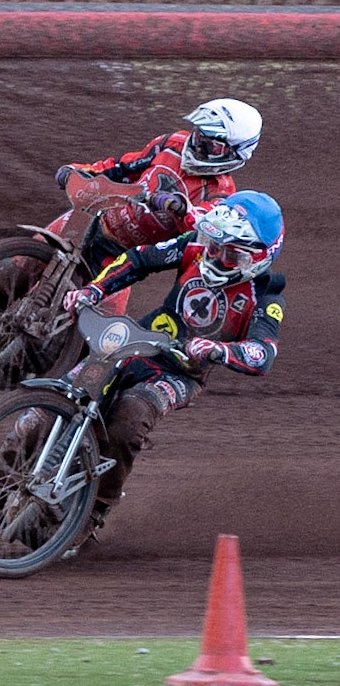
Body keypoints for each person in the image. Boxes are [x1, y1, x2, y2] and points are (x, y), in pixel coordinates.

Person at [57, 189, 285, 555]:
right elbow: (139, 259)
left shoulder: (266, 296)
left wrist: (219, 350)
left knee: (129, 418)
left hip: (180, 373)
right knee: (59, 396)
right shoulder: (194, 246)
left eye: (230, 252)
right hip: (136, 342)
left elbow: (263, 353)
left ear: (259, 256)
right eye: (214, 243)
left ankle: (94, 512)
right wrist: (94, 290)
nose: (215, 254)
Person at [52, 97, 263, 313]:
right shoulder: (173, 144)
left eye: (211, 145)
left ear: (235, 153)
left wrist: (180, 207)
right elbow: (123, 167)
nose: (198, 145)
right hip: (95, 217)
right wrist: (78, 171)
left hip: (122, 256)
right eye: (199, 134)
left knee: (101, 326)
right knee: (23, 259)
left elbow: (201, 227)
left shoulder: (221, 193)